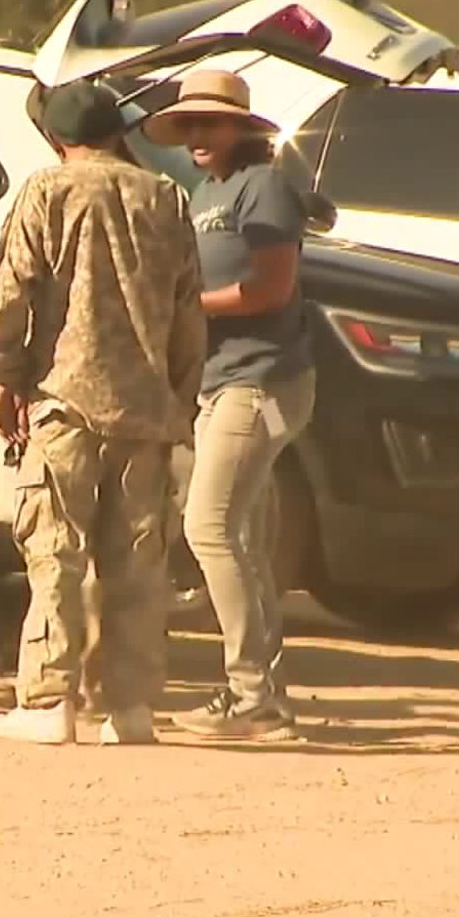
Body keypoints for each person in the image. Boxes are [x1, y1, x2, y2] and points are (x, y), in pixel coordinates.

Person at [0, 80, 206, 745]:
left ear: (57, 137)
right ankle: (128, 707)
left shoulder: (46, 191)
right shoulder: (166, 198)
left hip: (65, 401)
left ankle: (49, 700)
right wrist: (179, 397)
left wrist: (6, 376)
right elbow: (190, 312)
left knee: (56, 551)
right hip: (146, 407)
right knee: (136, 561)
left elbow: (10, 295)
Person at [142, 68, 317, 741]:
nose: (195, 137)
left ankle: (254, 698)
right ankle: (257, 693)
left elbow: (272, 288)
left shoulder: (263, 186)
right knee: (234, 534)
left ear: (241, 127)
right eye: (188, 125)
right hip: (222, 379)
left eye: (209, 124)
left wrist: (183, 307)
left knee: (208, 528)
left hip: (262, 377)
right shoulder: (207, 191)